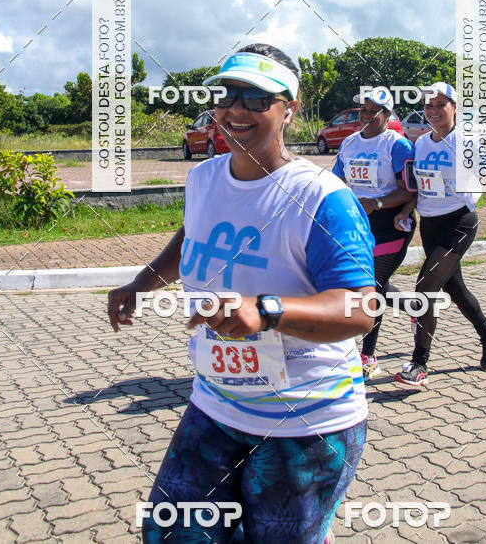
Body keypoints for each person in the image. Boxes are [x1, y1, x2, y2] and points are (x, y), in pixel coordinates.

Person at [108, 44, 376, 543]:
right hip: (217, 405)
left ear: (289, 109)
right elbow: (193, 236)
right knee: (170, 533)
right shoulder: (204, 178)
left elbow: (361, 310)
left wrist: (265, 310)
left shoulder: (322, 197)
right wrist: (142, 283)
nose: (235, 109)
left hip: (305, 424)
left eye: (256, 98)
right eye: (226, 95)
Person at [393, 82, 486, 388]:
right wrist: (405, 211)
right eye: (428, 106)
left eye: (440, 105)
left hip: (459, 221)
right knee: (454, 288)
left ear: (455, 108)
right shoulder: (421, 143)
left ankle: (419, 363)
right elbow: (419, 186)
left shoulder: (467, 143)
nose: (433, 111)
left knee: (425, 286)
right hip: (430, 223)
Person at [332, 86, 416, 380]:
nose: (366, 116)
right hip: (358, 225)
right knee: (368, 283)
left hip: (391, 224)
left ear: (387, 114)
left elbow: (410, 190)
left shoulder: (398, 145)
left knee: (373, 287)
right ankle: (414, 307)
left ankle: (368, 356)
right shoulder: (349, 143)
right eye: (363, 110)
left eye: (373, 111)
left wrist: (377, 203)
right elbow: (336, 182)